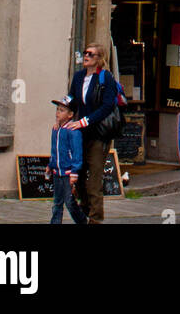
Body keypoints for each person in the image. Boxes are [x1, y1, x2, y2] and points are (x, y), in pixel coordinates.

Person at [65, 42, 118, 224]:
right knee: (78, 176)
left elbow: (107, 106)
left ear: (99, 59)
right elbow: (72, 98)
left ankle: (96, 220)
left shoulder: (105, 78)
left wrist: (85, 120)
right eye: (85, 52)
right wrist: (62, 112)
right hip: (81, 134)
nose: (86, 56)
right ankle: (85, 211)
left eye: (91, 54)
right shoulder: (79, 77)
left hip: (98, 134)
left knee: (93, 180)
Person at [46, 95, 87, 226]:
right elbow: (54, 149)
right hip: (57, 172)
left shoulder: (73, 131)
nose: (58, 113)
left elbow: (77, 153)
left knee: (69, 202)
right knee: (57, 202)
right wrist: (51, 164)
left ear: (70, 115)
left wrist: (75, 172)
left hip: (68, 173)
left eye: (61, 110)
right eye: (57, 109)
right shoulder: (55, 129)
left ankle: (81, 221)